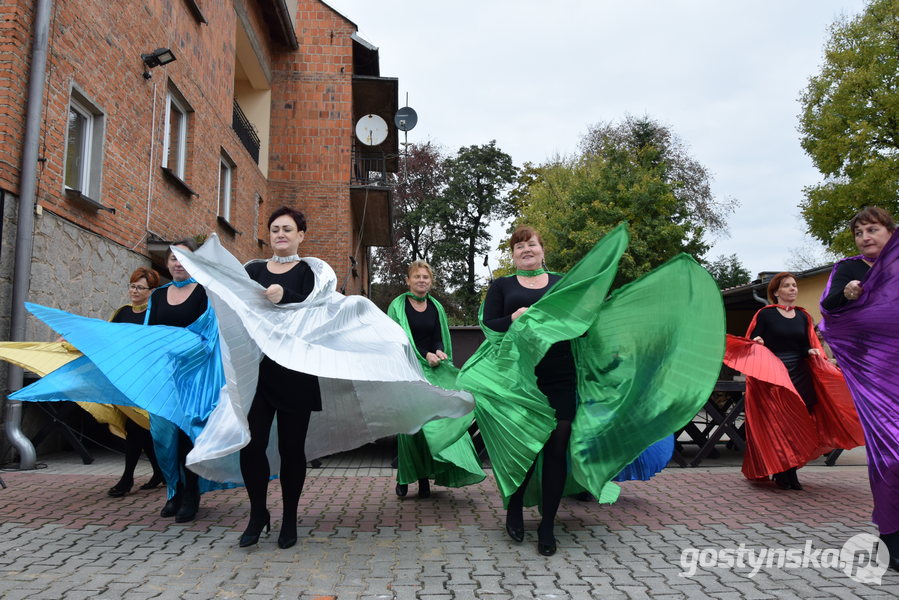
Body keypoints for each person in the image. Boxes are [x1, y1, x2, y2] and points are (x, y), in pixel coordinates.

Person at [480, 226, 580, 556]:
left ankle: (548, 524)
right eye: (519, 246)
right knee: (524, 447)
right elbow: (488, 323)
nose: (525, 249)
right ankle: (514, 506)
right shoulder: (502, 286)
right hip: (519, 380)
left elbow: (582, 317)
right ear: (512, 255)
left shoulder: (563, 282)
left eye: (531, 244)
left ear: (542, 250)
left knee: (555, 449)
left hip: (560, 374)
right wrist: (512, 317)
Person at [819, 206, 899, 571]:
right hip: (873, 376)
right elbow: (830, 308)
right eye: (859, 232)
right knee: (889, 454)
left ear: (889, 232)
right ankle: (891, 540)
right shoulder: (848, 268)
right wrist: (849, 294)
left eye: (873, 230)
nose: (865, 237)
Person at [238, 207, 321, 549]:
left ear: (301, 235)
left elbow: (319, 309)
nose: (280, 234)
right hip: (256, 372)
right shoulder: (252, 270)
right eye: (275, 229)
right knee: (252, 444)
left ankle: (289, 518)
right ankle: (258, 514)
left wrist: (284, 296)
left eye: (288, 229)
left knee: (291, 449)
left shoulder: (310, 271)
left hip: (295, 372)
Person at [386, 261, 485, 499]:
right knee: (411, 428)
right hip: (408, 373)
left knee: (435, 423)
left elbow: (438, 337)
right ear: (408, 280)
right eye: (417, 276)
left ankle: (425, 480)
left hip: (433, 370)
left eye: (426, 277)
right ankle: (405, 476)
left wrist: (439, 351)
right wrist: (424, 355)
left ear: (431, 282)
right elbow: (397, 341)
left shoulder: (436, 307)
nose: (421, 280)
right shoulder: (397, 307)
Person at [146, 238, 211, 523]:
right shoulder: (158, 295)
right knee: (162, 436)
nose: (177, 262)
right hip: (163, 375)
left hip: (194, 376)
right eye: (172, 257)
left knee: (188, 435)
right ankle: (173, 489)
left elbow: (210, 335)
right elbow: (147, 335)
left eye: (183, 258)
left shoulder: (204, 293)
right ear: (167, 262)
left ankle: (190, 493)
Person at [98, 268, 165, 496]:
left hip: (148, 381)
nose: (134, 291)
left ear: (151, 291)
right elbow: (104, 338)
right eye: (132, 285)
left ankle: (127, 479)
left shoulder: (156, 314)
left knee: (138, 427)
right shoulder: (123, 313)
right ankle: (159, 472)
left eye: (140, 287)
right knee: (137, 428)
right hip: (125, 379)